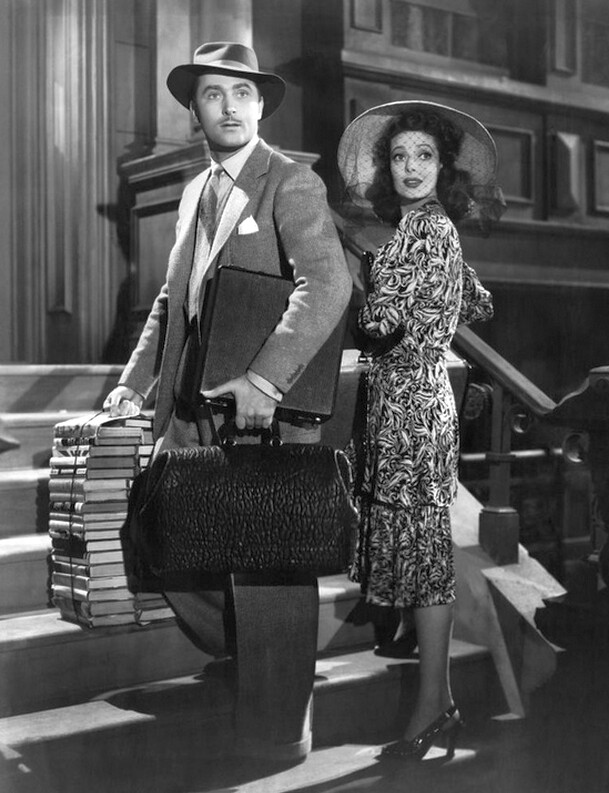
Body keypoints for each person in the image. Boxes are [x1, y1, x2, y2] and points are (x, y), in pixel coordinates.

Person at [103, 42, 352, 761]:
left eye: (243, 93)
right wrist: (133, 383)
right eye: (214, 94)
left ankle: (280, 727)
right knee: (162, 530)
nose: (230, 106)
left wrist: (266, 380)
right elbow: (170, 300)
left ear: (261, 106)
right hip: (192, 407)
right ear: (195, 110)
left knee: (270, 568)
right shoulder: (195, 192)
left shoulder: (291, 182)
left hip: (263, 413)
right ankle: (251, 656)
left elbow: (327, 285)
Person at [337, 100, 504, 760]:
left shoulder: (427, 230)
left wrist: (362, 281)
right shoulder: (423, 230)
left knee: (426, 560)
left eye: (424, 156)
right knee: (418, 555)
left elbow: (377, 324)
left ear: (444, 167)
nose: (410, 167)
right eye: (399, 156)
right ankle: (440, 702)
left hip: (412, 406)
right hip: (406, 400)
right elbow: (477, 301)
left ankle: (434, 707)